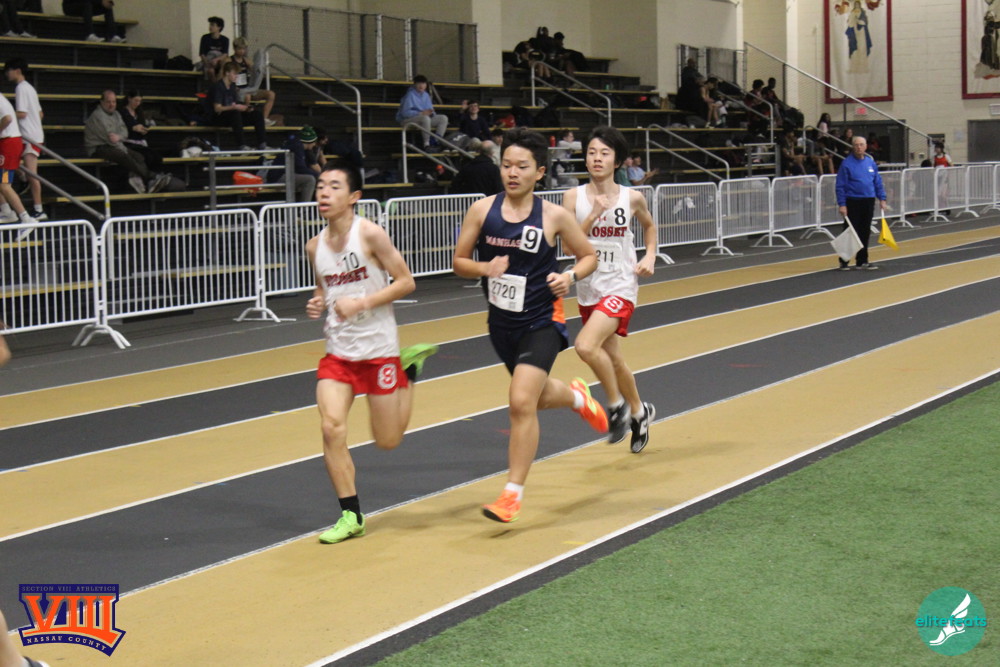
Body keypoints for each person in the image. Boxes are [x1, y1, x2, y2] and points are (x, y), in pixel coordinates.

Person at [452, 128, 606, 524]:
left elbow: (588, 256)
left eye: (522, 166)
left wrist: (569, 276)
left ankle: (512, 495)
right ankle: (577, 398)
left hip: (542, 319)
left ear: (539, 172)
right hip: (501, 322)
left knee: (521, 401)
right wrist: (485, 267)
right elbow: (459, 262)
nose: (512, 173)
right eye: (506, 165)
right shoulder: (481, 211)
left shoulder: (553, 216)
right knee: (536, 397)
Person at [305, 159, 438, 544]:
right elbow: (324, 288)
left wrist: (362, 303)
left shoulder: (370, 235)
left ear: (354, 197)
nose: (324, 193)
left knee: (388, 440)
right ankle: (351, 514)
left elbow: (406, 281)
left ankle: (408, 372)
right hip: (339, 353)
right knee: (331, 427)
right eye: (320, 186)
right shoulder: (314, 246)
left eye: (334, 186)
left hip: (378, 350)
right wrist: (317, 301)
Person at [562, 126, 656, 452]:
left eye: (604, 153)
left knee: (585, 346)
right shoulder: (573, 197)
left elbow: (649, 226)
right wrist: (593, 215)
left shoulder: (632, 198)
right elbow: (568, 244)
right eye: (591, 152)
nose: (597, 159)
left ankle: (616, 406)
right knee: (613, 358)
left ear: (617, 161)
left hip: (621, 284)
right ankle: (640, 412)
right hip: (589, 287)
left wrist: (650, 255)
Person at [84, 90, 170, 194]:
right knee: (123, 156)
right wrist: (121, 141)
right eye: (108, 102)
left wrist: (119, 136)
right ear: (101, 102)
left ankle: (147, 182)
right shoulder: (98, 116)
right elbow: (109, 139)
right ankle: (152, 177)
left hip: (116, 145)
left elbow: (125, 132)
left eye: (114, 102)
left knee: (139, 156)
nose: (111, 104)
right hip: (98, 147)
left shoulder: (116, 114)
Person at [836, 135, 886, 270]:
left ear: (866, 146)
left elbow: (877, 182)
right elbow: (840, 185)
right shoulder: (846, 164)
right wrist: (842, 204)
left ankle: (862, 260)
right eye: (856, 145)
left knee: (865, 230)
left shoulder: (870, 163)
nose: (859, 147)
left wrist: (882, 198)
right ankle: (844, 260)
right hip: (852, 200)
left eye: (861, 145)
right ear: (853, 147)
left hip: (868, 200)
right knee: (850, 231)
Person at [4, 58, 45, 221]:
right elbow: (40, 114)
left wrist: (6, 113)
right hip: (31, 134)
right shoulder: (30, 88)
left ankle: (38, 209)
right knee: (13, 163)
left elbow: (21, 113)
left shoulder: (21, 88)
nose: (7, 74)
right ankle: (22, 177)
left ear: (17, 71)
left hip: (29, 136)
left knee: (32, 174)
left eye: (8, 70)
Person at [0, 90, 40, 240]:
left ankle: (26, 218)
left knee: (4, 184)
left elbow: (8, 118)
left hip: (9, 144)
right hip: (7, 142)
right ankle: (6, 211)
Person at [209, 61, 269, 151]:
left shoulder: (232, 86)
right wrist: (235, 107)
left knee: (257, 115)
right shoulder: (218, 87)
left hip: (231, 115)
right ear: (227, 73)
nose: (236, 76)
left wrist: (245, 108)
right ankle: (241, 145)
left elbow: (234, 104)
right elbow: (217, 108)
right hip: (218, 117)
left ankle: (262, 144)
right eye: (235, 74)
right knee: (235, 113)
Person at [225, 36, 277, 126]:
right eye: (240, 49)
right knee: (247, 96)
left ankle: (264, 119)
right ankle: (246, 118)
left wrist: (260, 69)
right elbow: (224, 77)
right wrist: (232, 87)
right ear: (235, 48)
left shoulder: (246, 61)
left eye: (244, 49)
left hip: (247, 89)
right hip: (236, 90)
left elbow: (255, 71)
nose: (242, 51)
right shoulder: (229, 60)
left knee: (271, 94)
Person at [119, 89, 166, 177]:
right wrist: (133, 128)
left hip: (140, 141)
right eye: (136, 100)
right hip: (127, 142)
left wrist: (144, 130)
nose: (138, 103)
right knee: (148, 156)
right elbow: (121, 128)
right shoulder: (122, 112)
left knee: (157, 156)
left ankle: (156, 176)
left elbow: (142, 126)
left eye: (139, 101)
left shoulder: (139, 112)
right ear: (129, 99)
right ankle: (150, 177)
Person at [266, 125, 319, 202]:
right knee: (310, 180)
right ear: (309, 141)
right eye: (313, 142)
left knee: (308, 178)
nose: (314, 145)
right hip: (278, 177)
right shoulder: (297, 147)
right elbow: (301, 168)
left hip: (283, 175)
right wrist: (318, 176)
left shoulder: (301, 147)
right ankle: (305, 207)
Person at [396, 74, 449, 150]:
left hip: (424, 119)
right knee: (425, 118)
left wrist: (431, 113)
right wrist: (420, 113)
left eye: (423, 83)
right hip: (407, 120)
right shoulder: (410, 95)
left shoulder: (426, 95)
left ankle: (436, 141)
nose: (421, 86)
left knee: (443, 118)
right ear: (415, 84)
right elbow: (404, 113)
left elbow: (431, 110)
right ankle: (426, 144)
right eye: (419, 83)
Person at [198, 16, 229, 82]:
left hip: (219, 61)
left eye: (213, 25)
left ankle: (219, 80)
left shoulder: (225, 40)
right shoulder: (205, 38)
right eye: (210, 25)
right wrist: (207, 62)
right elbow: (202, 53)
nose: (210, 27)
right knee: (210, 71)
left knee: (226, 61)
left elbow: (225, 54)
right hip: (209, 60)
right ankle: (215, 83)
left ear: (219, 27)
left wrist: (217, 60)